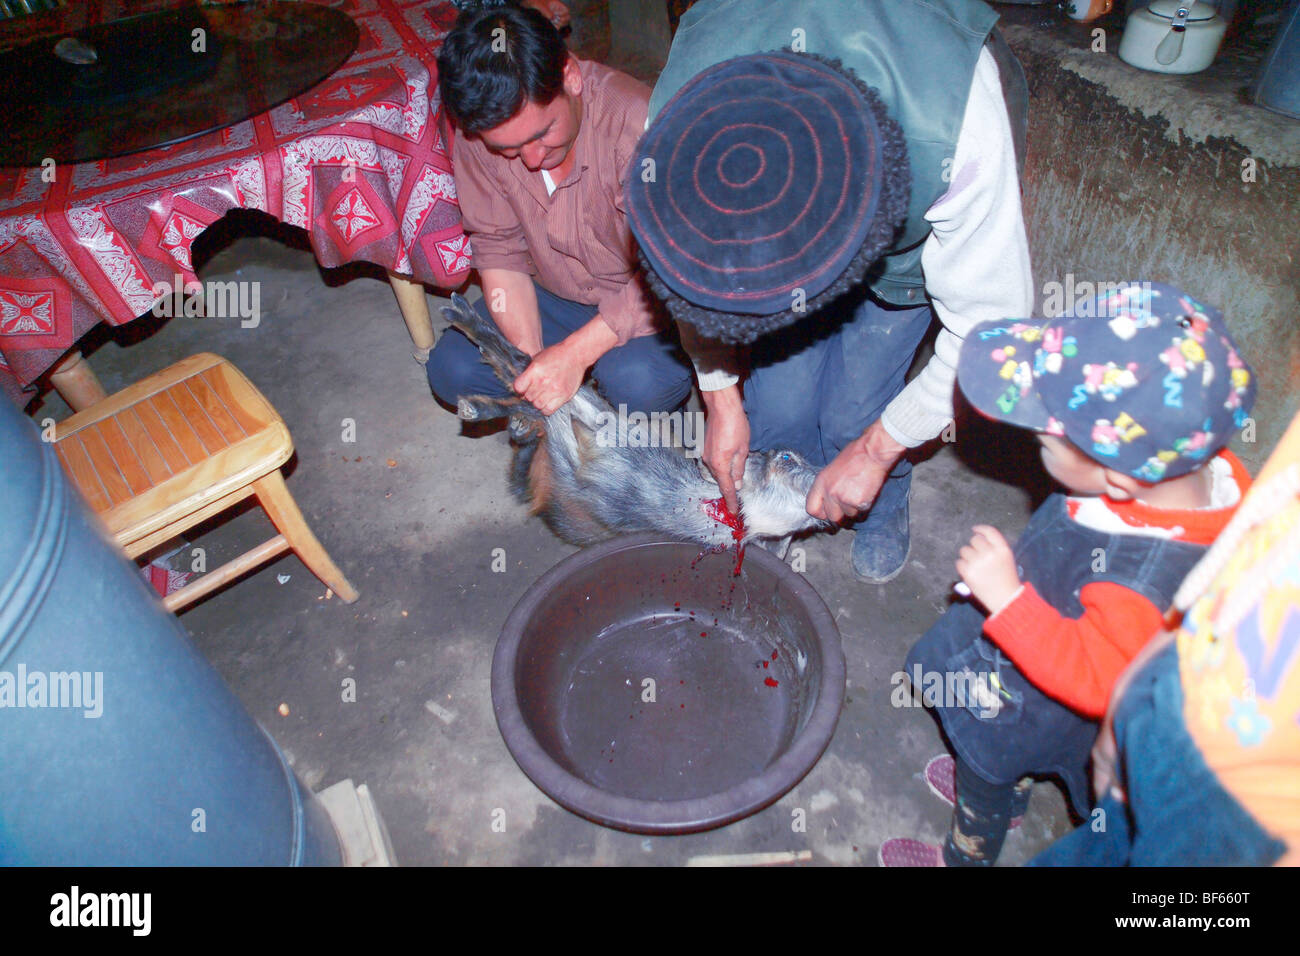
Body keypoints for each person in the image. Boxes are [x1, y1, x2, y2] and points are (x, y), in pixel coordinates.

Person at [626, 0, 1033, 581]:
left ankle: (884, 500)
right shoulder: (676, 123)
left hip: (911, 212)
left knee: (855, 413)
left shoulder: (953, 122)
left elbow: (992, 334)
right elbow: (688, 276)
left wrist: (875, 450)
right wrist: (720, 398)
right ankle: (777, 502)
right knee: (778, 407)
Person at [878, 281, 1257, 866]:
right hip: (1049, 625)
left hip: (1033, 695)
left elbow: (1100, 680)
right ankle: (1011, 794)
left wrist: (1007, 601)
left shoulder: (1146, 575)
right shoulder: (1181, 466)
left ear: (1121, 481)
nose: (1035, 449)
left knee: (991, 756)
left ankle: (968, 849)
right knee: (1012, 762)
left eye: (1045, 443)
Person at [1030, 406, 1300, 867]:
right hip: (1175, 692)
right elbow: (1253, 540)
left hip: (1245, 820)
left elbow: (1087, 669)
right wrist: (1131, 698)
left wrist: (1010, 607)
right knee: (1098, 845)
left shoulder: (1136, 573)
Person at [429, 1, 693, 421]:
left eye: (542, 133)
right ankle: (576, 401)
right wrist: (533, 360)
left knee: (637, 383)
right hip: (556, 293)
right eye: (508, 149)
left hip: (646, 301)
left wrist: (574, 353)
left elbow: (673, 274)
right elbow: (498, 249)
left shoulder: (640, 129)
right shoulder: (479, 130)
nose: (532, 160)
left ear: (570, 76)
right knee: (452, 370)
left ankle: (601, 394)